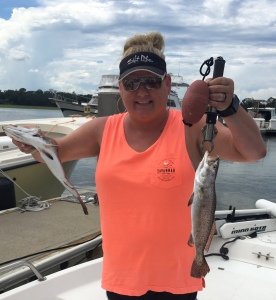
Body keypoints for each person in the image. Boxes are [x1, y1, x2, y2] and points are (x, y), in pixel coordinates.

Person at [14, 32, 266, 299]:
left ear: (167, 84)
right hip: (121, 278)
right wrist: (32, 141)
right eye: (132, 82)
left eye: (151, 81)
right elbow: (53, 153)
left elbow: (253, 152)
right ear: (121, 87)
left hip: (179, 277)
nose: (142, 91)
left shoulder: (193, 127)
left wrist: (231, 108)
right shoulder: (101, 130)